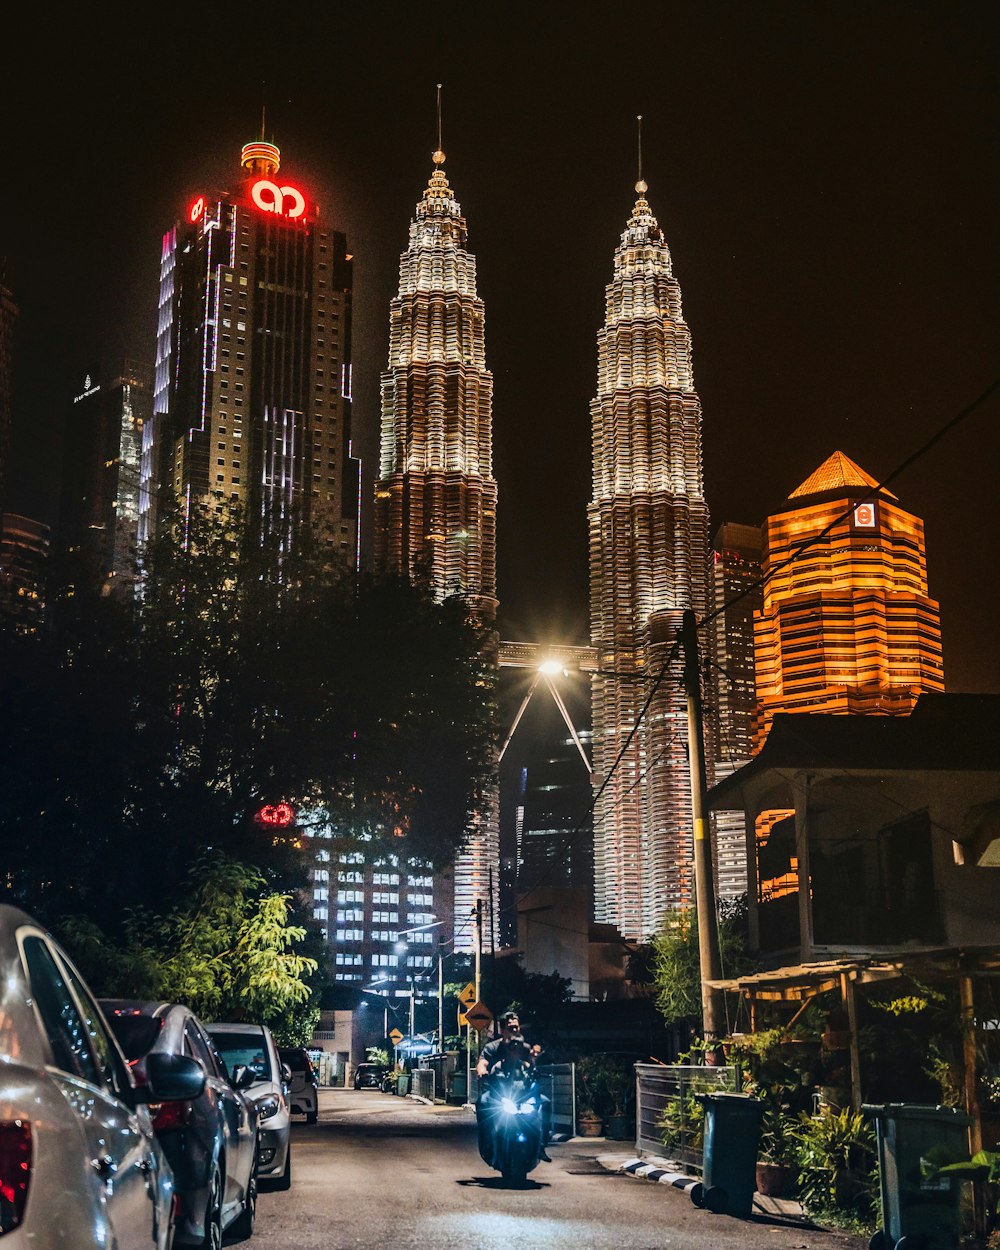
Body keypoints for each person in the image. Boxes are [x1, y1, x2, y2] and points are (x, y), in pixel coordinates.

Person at [476, 1011, 551, 1163]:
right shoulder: (492, 1047)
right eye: (510, 1028)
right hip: (499, 1092)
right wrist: (482, 1072)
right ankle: (487, 1144)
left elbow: (532, 1066)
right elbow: (482, 1063)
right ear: (502, 1030)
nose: (514, 1031)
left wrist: (534, 1062)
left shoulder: (525, 1048)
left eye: (516, 1028)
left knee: (545, 1102)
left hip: (522, 1092)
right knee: (482, 1103)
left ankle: (541, 1145)